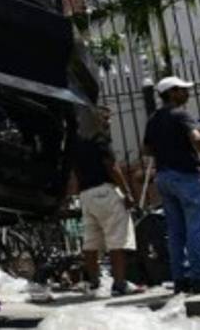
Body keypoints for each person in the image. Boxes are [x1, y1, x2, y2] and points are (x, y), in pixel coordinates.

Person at [142, 76, 200, 293]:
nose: (187, 93)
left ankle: (180, 278)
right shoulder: (181, 114)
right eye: (182, 90)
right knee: (198, 228)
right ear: (171, 93)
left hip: (164, 177)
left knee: (175, 231)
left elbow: (147, 150)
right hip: (187, 176)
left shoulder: (153, 119)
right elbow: (197, 138)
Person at [71, 105, 144, 296]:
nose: (109, 121)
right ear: (96, 119)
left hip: (86, 194)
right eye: (105, 118)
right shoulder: (100, 139)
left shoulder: (77, 142)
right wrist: (127, 192)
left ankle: (94, 282)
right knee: (117, 239)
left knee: (90, 240)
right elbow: (112, 166)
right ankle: (119, 283)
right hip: (105, 191)